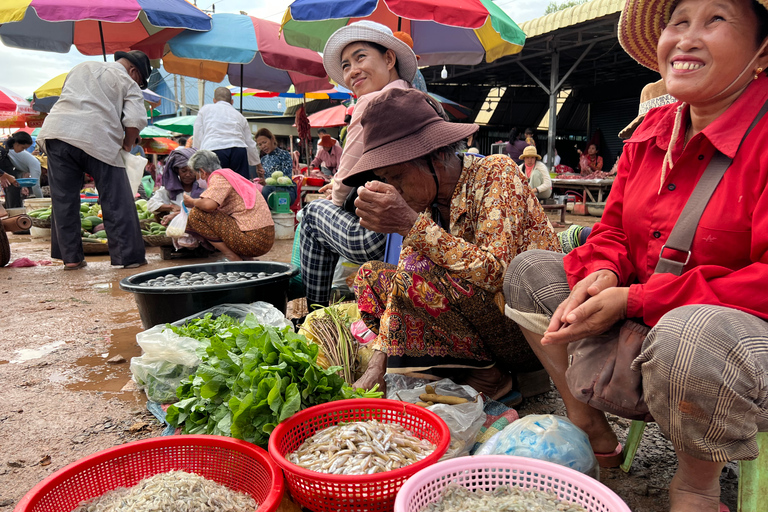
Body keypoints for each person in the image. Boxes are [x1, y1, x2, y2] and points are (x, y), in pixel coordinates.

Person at [504, 0, 768, 508]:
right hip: (652, 317)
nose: (687, 38)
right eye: (678, 22)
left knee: (690, 334)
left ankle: (696, 485)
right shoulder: (651, 133)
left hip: (733, 343)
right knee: (529, 271)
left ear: (762, 47)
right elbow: (612, 233)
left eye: (715, 19)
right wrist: (603, 272)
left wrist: (637, 301)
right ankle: (590, 428)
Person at [346, 88, 560, 398]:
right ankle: (474, 370)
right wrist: (377, 365)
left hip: (527, 334)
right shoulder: (428, 204)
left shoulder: (496, 173)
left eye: (396, 176)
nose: (393, 188)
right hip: (479, 330)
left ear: (437, 155)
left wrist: (409, 223)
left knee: (418, 269)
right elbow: (401, 284)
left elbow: (497, 273)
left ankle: (496, 377)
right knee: (371, 278)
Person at [299, 20, 418, 310]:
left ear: (389, 59)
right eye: (346, 64)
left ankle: (313, 313)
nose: (352, 70)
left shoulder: (369, 103)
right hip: (418, 229)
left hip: (381, 236)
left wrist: (333, 196)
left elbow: (343, 186)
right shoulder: (415, 97)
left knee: (313, 215)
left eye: (361, 57)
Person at [36, 50, 150, 270]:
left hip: (57, 134)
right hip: (98, 136)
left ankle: (71, 259)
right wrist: (126, 145)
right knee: (116, 200)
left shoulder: (81, 67)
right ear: (134, 71)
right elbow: (134, 120)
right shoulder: (128, 81)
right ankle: (127, 259)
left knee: (63, 200)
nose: (138, 83)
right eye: (140, 80)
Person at [185, 150, 274, 261]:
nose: (197, 179)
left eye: (196, 174)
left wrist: (192, 202)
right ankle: (246, 259)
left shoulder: (218, 177)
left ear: (202, 172)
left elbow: (208, 205)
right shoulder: (231, 176)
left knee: (196, 214)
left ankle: (231, 255)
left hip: (254, 240)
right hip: (265, 237)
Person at [193, 87, 264, 181]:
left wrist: (198, 157)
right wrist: (258, 165)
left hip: (214, 148)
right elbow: (249, 142)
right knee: (240, 186)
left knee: (217, 185)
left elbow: (198, 135)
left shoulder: (205, 109)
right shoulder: (240, 116)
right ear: (232, 102)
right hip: (238, 149)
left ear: (214, 100)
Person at [146, 147, 204, 223]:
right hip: (176, 228)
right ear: (177, 170)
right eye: (183, 171)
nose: (187, 175)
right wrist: (171, 207)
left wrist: (178, 213)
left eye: (192, 171)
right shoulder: (170, 188)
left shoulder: (203, 187)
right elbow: (151, 204)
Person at [256, 128, 297, 206]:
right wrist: (261, 178)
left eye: (265, 142)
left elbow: (286, 177)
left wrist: (267, 182)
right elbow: (264, 180)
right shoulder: (263, 160)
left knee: (266, 190)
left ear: (272, 139)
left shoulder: (284, 155)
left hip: (286, 191)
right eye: (260, 144)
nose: (263, 146)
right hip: (269, 190)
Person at [2, 132, 36, 207]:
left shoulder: (6, 151)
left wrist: (22, 186)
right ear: (17, 144)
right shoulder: (2, 150)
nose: (23, 151)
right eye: (23, 148)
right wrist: (2, 174)